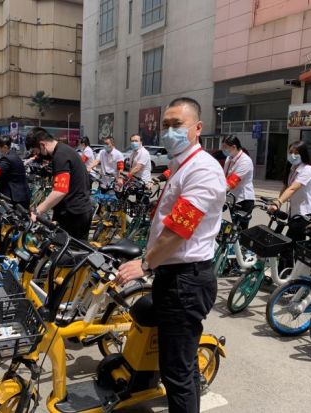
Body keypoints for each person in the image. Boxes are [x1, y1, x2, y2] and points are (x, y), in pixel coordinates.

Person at [117, 97, 226, 413]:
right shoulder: (182, 165)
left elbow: (179, 230)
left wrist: (145, 264)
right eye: (165, 126)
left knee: (176, 373)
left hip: (186, 282)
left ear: (197, 128)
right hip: (173, 276)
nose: (169, 131)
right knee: (182, 363)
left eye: (176, 125)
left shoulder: (203, 170)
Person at [26, 127, 92, 240]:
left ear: (42, 145)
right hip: (76, 210)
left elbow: (60, 191)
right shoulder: (64, 150)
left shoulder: (60, 155)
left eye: (36, 151)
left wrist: (37, 211)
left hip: (74, 214)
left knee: (69, 253)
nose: (38, 155)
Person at [268, 140, 311, 269]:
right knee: (293, 245)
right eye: (291, 152)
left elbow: (293, 188)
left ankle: (289, 276)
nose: (293, 155)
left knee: (289, 245)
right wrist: (276, 202)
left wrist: (278, 202)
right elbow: (285, 186)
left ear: (303, 154)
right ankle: (289, 274)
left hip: (304, 214)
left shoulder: (307, 169)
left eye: (296, 152)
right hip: (294, 213)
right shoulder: (292, 168)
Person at [221, 135, 255, 230]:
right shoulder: (229, 158)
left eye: (225, 147)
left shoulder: (245, 161)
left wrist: (216, 193)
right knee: (233, 228)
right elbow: (224, 178)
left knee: (240, 231)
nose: (223, 149)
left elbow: (232, 182)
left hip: (243, 200)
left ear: (234, 147)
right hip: (233, 198)